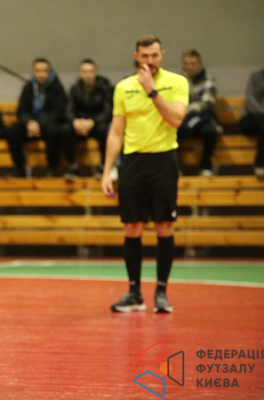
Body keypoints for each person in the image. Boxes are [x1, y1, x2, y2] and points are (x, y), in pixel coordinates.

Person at [101, 35, 188, 314]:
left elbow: (176, 119)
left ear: (162, 54)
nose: (149, 61)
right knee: (132, 227)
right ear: (136, 56)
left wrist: (152, 91)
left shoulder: (177, 82)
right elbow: (116, 132)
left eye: (154, 55)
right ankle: (134, 293)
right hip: (133, 162)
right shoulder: (124, 87)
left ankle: (161, 292)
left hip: (163, 160)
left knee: (164, 226)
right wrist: (107, 171)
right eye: (144, 56)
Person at [6, 58, 67, 177]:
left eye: (44, 71)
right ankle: (19, 169)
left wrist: (40, 125)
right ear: (34, 72)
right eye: (38, 71)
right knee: (12, 131)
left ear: (49, 72)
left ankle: (52, 169)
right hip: (30, 125)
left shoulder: (57, 88)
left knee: (54, 131)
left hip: (48, 125)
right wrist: (29, 123)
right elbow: (21, 110)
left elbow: (58, 112)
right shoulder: (28, 87)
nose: (41, 74)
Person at [62, 59, 114, 179]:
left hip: (97, 124)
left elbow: (108, 111)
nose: (88, 75)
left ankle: (103, 166)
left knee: (105, 130)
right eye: (85, 72)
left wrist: (93, 121)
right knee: (64, 129)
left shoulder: (105, 88)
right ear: (80, 73)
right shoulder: (74, 89)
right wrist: (75, 121)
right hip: (79, 124)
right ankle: (71, 167)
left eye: (90, 71)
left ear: (96, 72)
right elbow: (68, 110)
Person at [178, 49, 223, 176]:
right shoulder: (178, 79)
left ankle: (206, 166)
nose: (189, 67)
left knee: (210, 131)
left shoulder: (208, 79)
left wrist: (188, 109)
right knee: (168, 132)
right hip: (183, 119)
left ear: (200, 64)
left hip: (202, 118)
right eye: (186, 64)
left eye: (192, 64)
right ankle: (176, 168)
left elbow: (207, 102)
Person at [239, 66, 264, 178]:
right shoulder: (256, 76)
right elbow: (250, 99)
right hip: (251, 117)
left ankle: (259, 164)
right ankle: (259, 164)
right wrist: (263, 112)